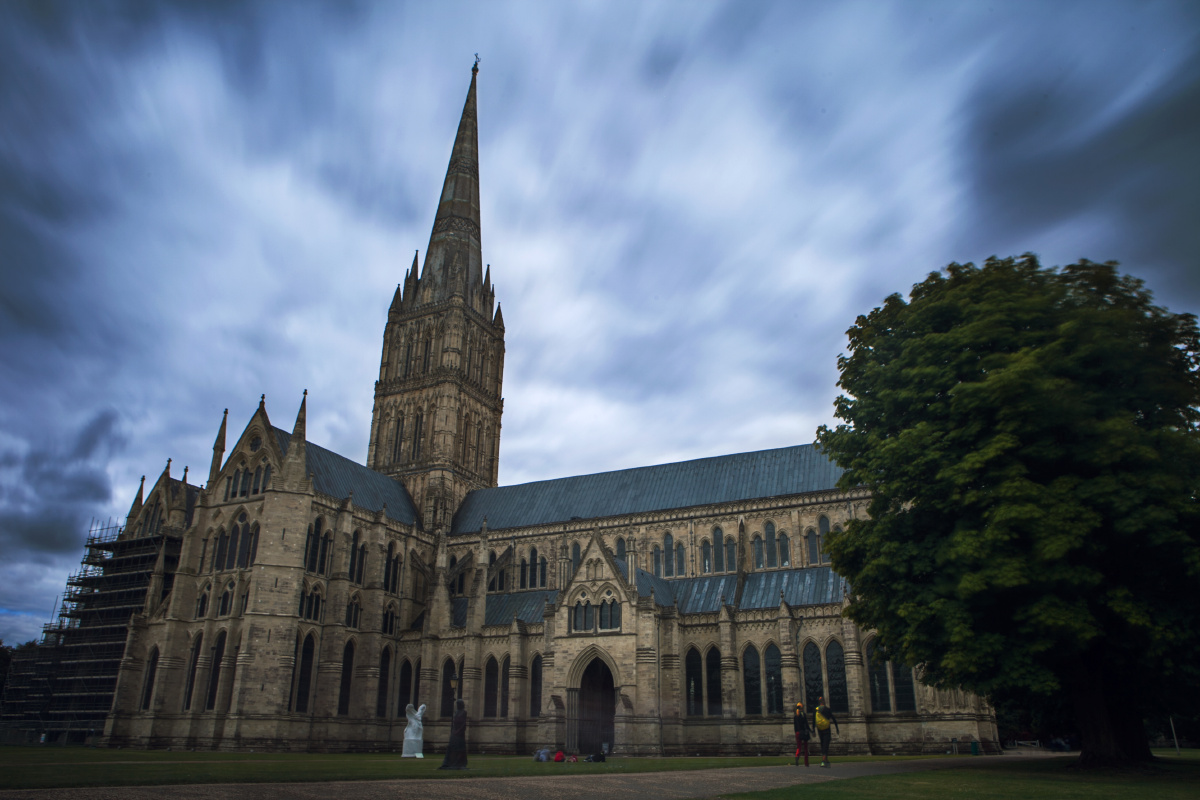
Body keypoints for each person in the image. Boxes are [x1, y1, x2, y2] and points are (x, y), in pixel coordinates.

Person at [438, 698, 468, 770]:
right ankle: (447, 763)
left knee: (459, 748)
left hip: (459, 733)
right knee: (451, 747)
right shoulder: (456, 712)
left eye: (458, 704)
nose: (457, 705)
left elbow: (464, 724)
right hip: (455, 732)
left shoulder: (464, 712)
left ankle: (459, 763)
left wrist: (459, 731)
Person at [813, 696, 840, 768]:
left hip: (819, 729)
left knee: (822, 743)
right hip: (827, 729)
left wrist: (813, 730)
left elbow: (813, 720)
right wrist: (837, 728)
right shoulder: (827, 709)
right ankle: (823, 761)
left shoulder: (816, 709)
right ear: (824, 702)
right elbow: (833, 719)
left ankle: (826, 760)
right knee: (826, 743)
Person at [793, 702, 811, 767]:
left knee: (799, 747)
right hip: (803, 732)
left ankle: (797, 756)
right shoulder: (803, 715)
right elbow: (806, 724)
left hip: (797, 732)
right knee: (805, 748)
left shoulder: (795, 716)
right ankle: (806, 763)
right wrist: (810, 730)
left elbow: (795, 726)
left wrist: (796, 732)